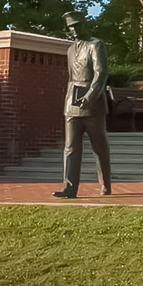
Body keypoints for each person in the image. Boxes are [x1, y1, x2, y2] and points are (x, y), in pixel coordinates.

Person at [52, 10, 112, 199]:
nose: (74, 30)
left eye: (77, 25)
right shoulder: (70, 50)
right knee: (70, 147)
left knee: (99, 146)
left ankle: (105, 184)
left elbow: (100, 73)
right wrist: (72, 101)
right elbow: (71, 77)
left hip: (93, 105)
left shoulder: (96, 45)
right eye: (70, 27)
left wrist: (90, 96)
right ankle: (69, 188)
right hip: (72, 104)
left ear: (84, 24)